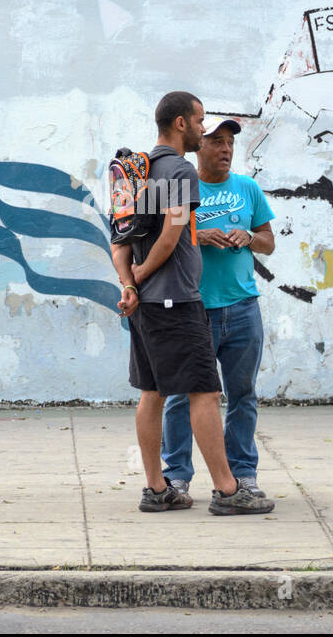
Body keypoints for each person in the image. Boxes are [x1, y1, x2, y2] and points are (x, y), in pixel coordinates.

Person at [111, 92, 272, 515]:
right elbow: (170, 235)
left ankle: (157, 488)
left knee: (152, 392)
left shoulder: (138, 169)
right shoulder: (181, 171)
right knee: (204, 392)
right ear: (180, 123)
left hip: (145, 307)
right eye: (201, 121)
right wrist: (143, 277)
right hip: (177, 301)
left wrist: (129, 285)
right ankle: (227, 489)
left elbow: (120, 240)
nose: (205, 129)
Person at [160, 115, 277, 507]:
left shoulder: (248, 188)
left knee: (242, 394)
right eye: (218, 142)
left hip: (243, 307)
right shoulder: (182, 188)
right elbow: (162, 236)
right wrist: (198, 234)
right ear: (200, 146)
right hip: (195, 309)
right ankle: (175, 477)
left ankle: (243, 475)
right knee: (182, 396)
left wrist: (249, 238)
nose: (226, 149)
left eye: (230, 143)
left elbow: (268, 242)